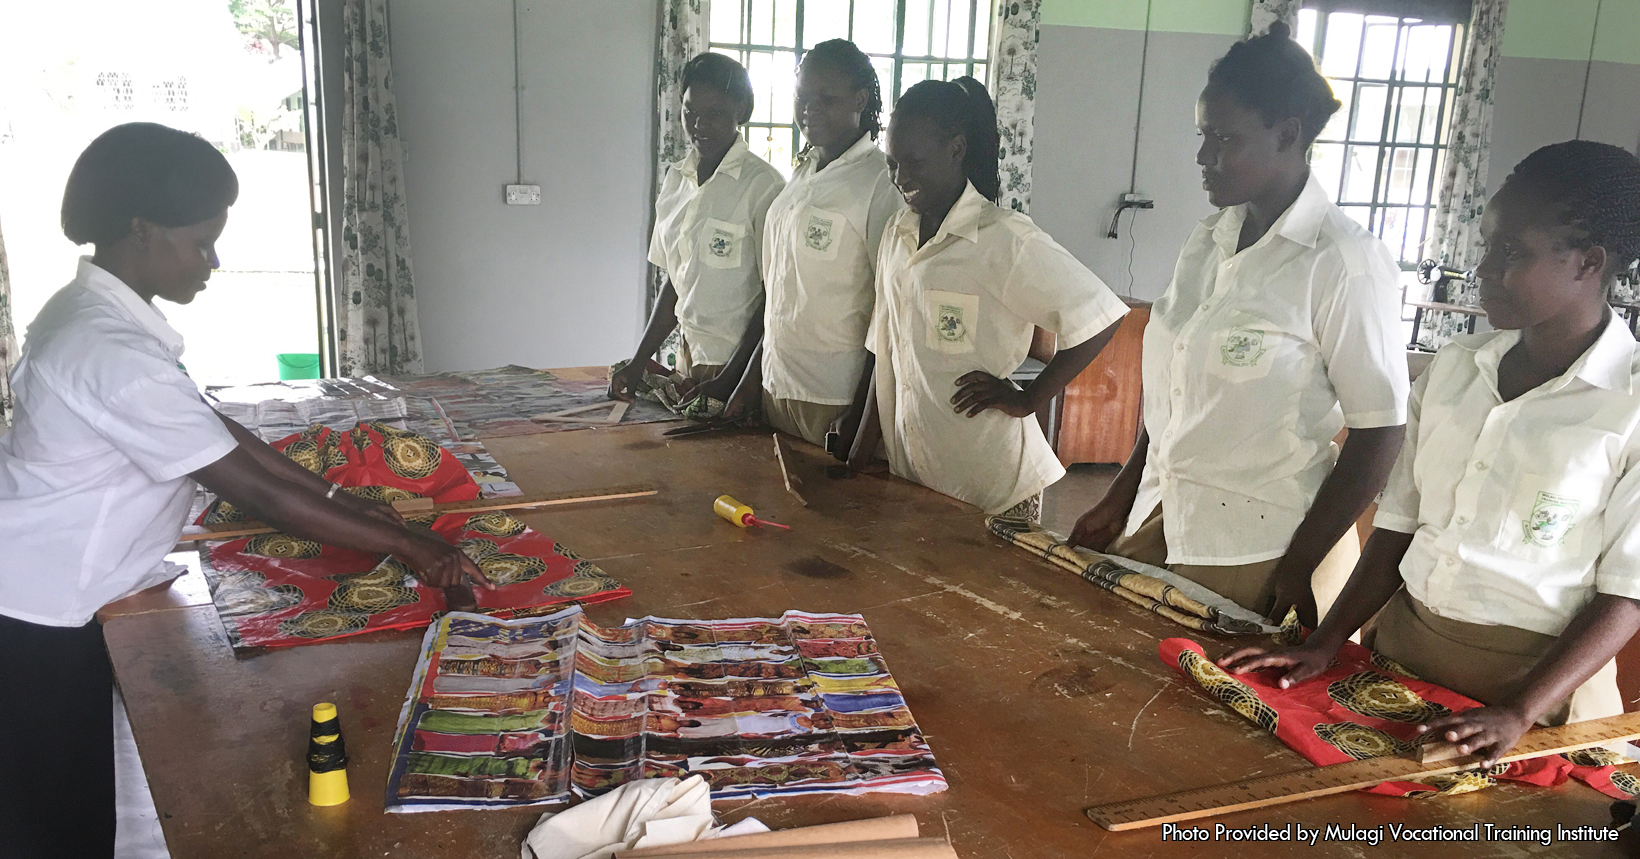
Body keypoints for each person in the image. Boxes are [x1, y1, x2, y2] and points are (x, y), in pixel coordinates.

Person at [0, 123, 486, 859]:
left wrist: (339, 496)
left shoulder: (99, 315)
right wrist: (413, 547)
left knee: (66, 806)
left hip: (53, 588)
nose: (214, 262)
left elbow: (220, 435)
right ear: (141, 230)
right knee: (58, 823)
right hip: (39, 611)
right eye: (200, 243)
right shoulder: (110, 351)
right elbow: (251, 487)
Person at [1220, 141, 1640, 768]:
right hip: (1404, 661)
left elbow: (1625, 594)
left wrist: (1518, 711)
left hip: (1538, 697)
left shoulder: (1628, 404)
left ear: (1588, 262)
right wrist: (1328, 643)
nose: (1484, 269)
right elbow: (1398, 526)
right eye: (1486, 245)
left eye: (1511, 252)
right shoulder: (1454, 371)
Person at [1068, 23, 1408, 628]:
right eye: (1202, 136)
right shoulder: (1210, 241)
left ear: (1288, 134)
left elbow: (1380, 432)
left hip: (1264, 544)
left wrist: (1302, 559)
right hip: (1166, 514)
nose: (1203, 157)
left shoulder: (1341, 262)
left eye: (1224, 139)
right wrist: (1121, 495)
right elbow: (1175, 393)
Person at [843, 78, 1127, 521]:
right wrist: (858, 456)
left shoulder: (1003, 239)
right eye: (892, 164)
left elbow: (1101, 316)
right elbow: (887, 354)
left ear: (956, 150)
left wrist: (1028, 399)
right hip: (918, 477)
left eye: (914, 162)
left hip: (993, 487)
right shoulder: (897, 236)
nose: (902, 179)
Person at [725, 39, 902, 451]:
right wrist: (750, 379)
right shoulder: (801, 175)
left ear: (860, 99)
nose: (809, 109)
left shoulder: (878, 182)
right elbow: (777, 293)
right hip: (777, 383)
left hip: (835, 397)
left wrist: (860, 413)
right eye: (802, 96)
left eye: (826, 98)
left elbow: (890, 309)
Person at [609, 52, 784, 412]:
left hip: (742, 371)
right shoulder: (676, 180)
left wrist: (730, 378)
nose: (699, 125)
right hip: (690, 363)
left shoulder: (763, 187)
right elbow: (676, 280)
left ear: (741, 111)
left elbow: (775, 298)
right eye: (690, 112)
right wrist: (640, 359)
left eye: (715, 114)